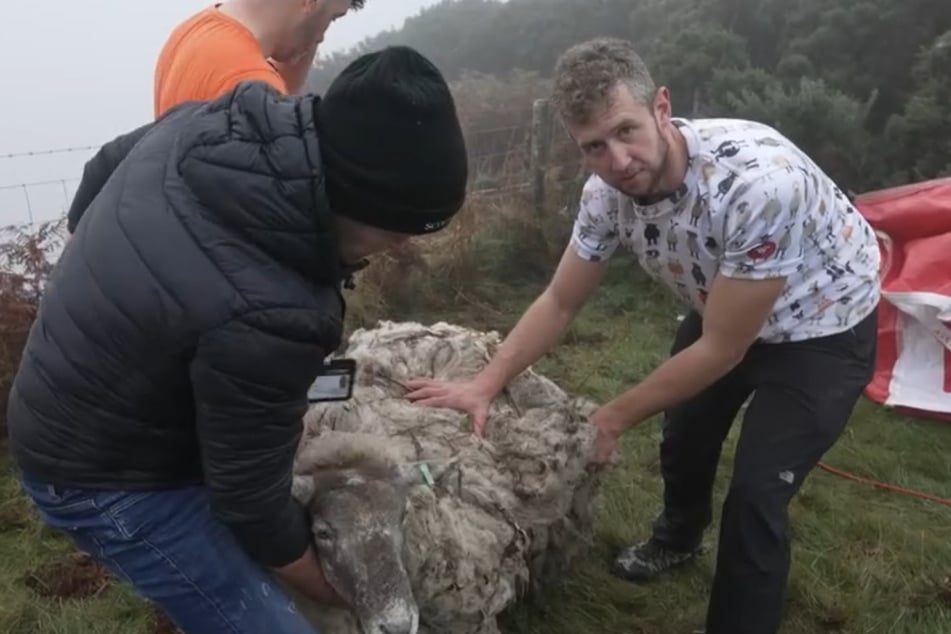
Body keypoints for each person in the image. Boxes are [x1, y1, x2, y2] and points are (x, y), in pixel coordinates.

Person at [404, 36, 881, 634]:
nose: (618, 160)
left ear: (661, 107)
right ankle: (677, 539)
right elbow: (559, 300)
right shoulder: (605, 196)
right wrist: (485, 382)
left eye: (627, 130)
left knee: (757, 495)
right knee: (684, 435)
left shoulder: (759, 184)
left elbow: (722, 350)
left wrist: (608, 418)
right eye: (594, 147)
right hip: (722, 306)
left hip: (820, 325)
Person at [8, 46, 467, 634]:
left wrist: (99, 296)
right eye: (397, 231)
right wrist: (339, 592)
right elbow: (251, 504)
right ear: (354, 199)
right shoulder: (277, 307)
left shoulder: (213, 124)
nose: (402, 248)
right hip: (100, 478)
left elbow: (104, 165)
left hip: (65, 401)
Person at [153, 0, 365, 117]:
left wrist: (305, 34)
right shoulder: (249, 84)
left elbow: (281, 95)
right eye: (333, 18)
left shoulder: (191, 32)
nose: (321, 36)